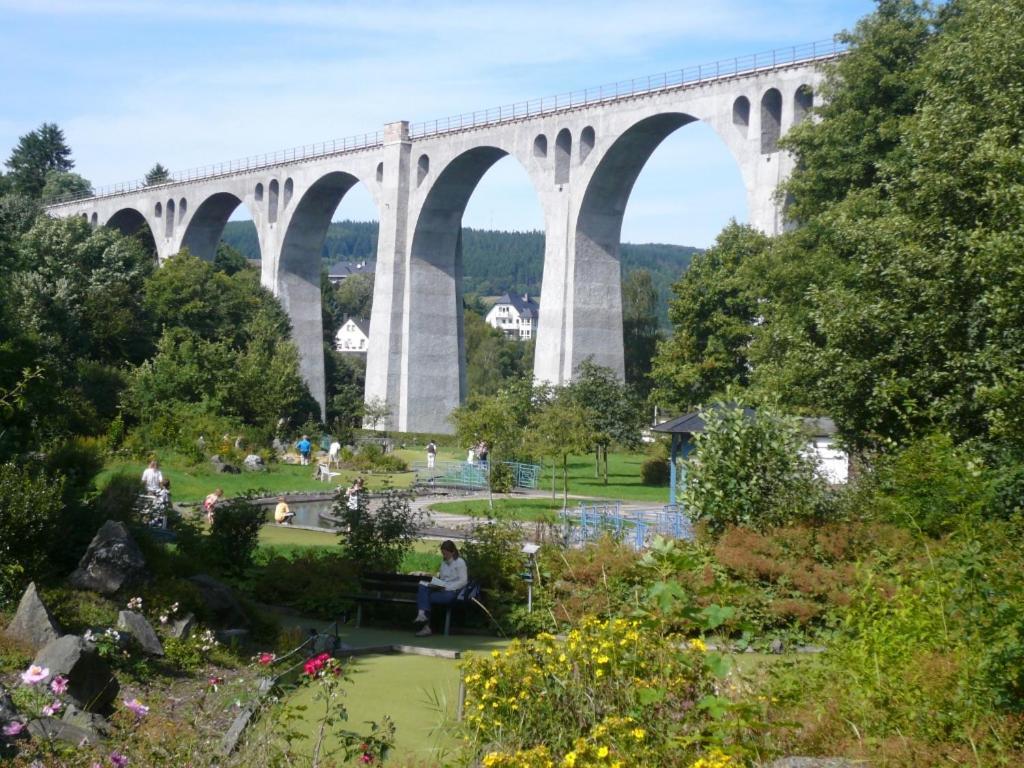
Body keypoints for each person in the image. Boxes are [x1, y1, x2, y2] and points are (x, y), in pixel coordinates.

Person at [413, 540, 469, 637]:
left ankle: (425, 625)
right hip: (441, 589)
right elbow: (442, 579)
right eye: (443, 553)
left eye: (446, 553)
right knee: (423, 586)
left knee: (425, 598)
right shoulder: (443, 563)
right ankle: (421, 614)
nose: (444, 555)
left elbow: (463, 581)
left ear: (452, 552)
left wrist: (448, 587)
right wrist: (435, 584)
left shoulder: (460, 562)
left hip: (452, 592)